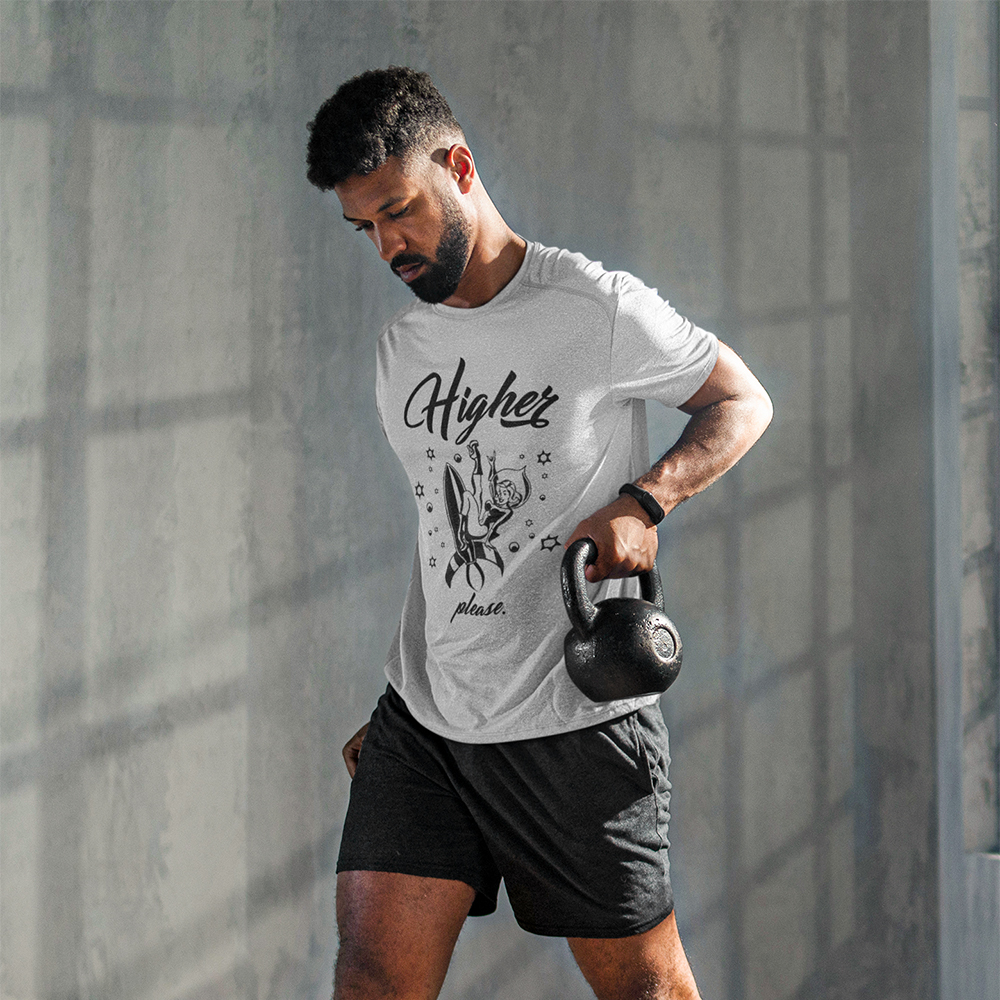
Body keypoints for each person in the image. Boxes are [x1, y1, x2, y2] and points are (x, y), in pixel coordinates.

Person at [306, 67, 772, 1000]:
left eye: (398, 211)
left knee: (645, 991)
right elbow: (443, 531)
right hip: (428, 725)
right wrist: (409, 688)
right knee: (371, 979)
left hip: (575, 723)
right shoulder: (403, 352)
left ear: (458, 167)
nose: (387, 245)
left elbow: (741, 401)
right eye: (365, 228)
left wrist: (646, 500)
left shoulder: (593, 309)